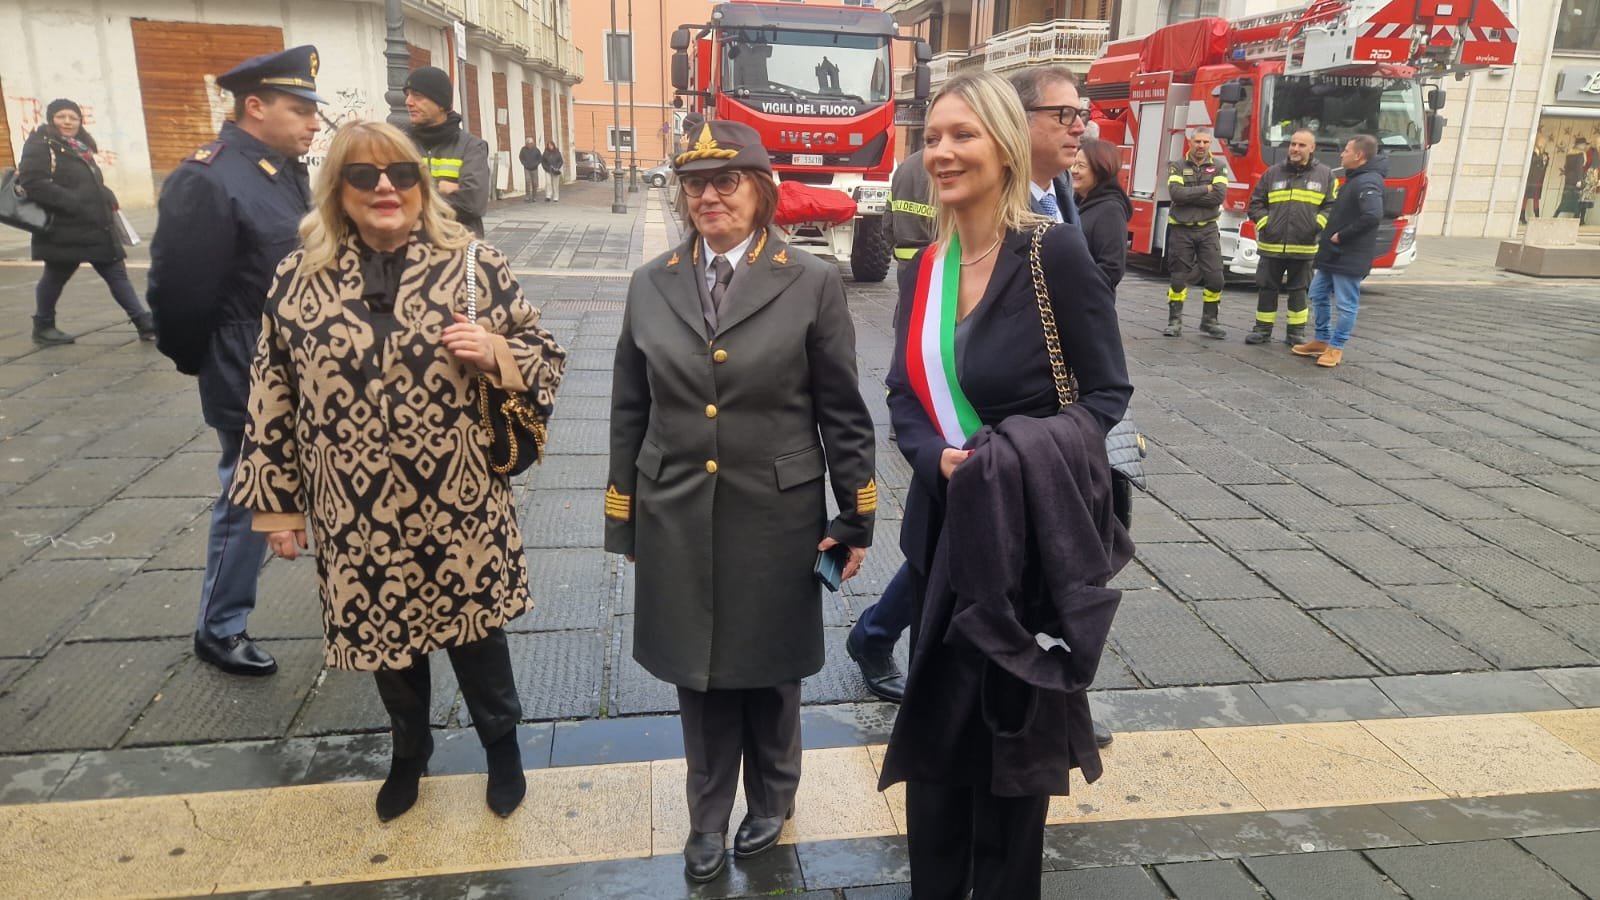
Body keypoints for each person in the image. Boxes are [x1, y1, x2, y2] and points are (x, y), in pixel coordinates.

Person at [231, 121, 568, 822]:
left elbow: (545, 353)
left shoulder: (474, 264)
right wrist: (277, 507)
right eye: (364, 175)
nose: (385, 187)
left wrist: (497, 351)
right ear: (338, 190)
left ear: (420, 184)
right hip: (352, 503)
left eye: (401, 173)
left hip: (459, 494)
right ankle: (408, 751)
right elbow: (271, 390)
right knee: (386, 637)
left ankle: (502, 748)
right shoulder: (298, 276)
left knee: (477, 633)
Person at [877, 71, 1132, 900]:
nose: (942, 152)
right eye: (933, 137)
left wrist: (1016, 458)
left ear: (1005, 146)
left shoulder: (1050, 251)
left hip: (1024, 549)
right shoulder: (923, 270)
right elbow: (904, 399)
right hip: (944, 543)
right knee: (939, 746)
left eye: (963, 135)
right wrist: (935, 459)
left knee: (1013, 754)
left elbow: (1105, 395)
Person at [607, 120, 876, 884]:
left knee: (770, 667)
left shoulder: (810, 280)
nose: (709, 196)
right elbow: (631, 407)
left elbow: (842, 411)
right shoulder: (651, 281)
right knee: (698, 673)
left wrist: (853, 516)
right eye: (695, 183)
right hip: (676, 508)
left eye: (727, 181)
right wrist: (623, 517)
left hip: (776, 511)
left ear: (761, 191)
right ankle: (706, 813)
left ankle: (773, 796)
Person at [147, 45, 323, 677]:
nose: (313, 123)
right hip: (244, 361)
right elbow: (177, 291)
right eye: (300, 109)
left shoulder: (280, 169)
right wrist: (205, 361)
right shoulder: (210, 176)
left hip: (298, 359)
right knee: (249, 493)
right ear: (255, 106)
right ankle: (219, 627)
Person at [17, 98, 156, 345]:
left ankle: (143, 322)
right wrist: (74, 203)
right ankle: (44, 326)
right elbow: (33, 182)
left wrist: (105, 194)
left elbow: (86, 182)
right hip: (64, 226)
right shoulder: (40, 144)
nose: (68, 122)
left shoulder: (78, 146)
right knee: (61, 275)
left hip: (93, 224)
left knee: (112, 271)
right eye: (62, 116)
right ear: (51, 119)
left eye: (73, 117)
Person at [1293, 134, 1386, 369]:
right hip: (1332, 255)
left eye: (1346, 150)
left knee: (1346, 304)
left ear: (1359, 155)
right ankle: (1322, 340)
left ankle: (1336, 347)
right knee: (1317, 293)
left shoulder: (1368, 182)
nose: (1342, 154)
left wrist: (1342, 235)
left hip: (1349, 255)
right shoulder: (1356, 179)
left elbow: (1372, 215)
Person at [1245, 129, 1333, 346]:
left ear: (1312, 148)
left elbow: (1331, 207)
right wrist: (1267, 224)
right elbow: (1256, 203)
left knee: (1299, 292)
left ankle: (1295, 333)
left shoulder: (1325, 175)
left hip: (1304, 248)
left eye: (1301, 145)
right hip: (1271, 245)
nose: (1295, 149)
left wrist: (1315, 226)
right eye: (1293, 144)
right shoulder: (1273, 173)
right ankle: (1262, 330)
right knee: (1267, 289)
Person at [402, 66, 490, 235]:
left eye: (417, 96)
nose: (408, 102)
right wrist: (443, 190)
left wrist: (413, 197)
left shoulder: (471, 146)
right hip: (410, 250)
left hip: (458, 247)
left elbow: (473, 203)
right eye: (407, 95)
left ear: (441, 104)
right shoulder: (401, 144)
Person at [1164, 128, 1230, 339]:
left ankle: (1209, 321)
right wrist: (1205, 189)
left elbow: (1218, 197)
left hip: (1207, 229)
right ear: (1190, 143)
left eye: (1206, 142)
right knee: (1178, 278)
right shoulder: (1177, 166)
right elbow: (1176, 194)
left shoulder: (1219, 166)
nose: (1201, 145)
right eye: (1198, 141)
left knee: (1215, 278)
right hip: (1181, 229)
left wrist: (1191, 194)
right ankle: (1174, 322)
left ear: (1210, 144)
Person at [1010, 66, 1084, 226]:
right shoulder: (984, 208)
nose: (1080, 128)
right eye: (1064, 114)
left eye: (1080, 114)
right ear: (1018, 118)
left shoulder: (1064, 193)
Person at [1070, 136, 1132, 287]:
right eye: (1073, 164)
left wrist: (1073, 288)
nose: (1073, 170)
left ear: (1100, 170)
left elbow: (1112, 268)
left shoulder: (1110, 211)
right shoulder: (1077, 203)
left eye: (1081, 166)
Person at [1523, 144, 1548, 225]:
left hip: (1537, 179)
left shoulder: (1543, 155)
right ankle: (1522, 215)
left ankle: (1537, 217)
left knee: (1535, 197)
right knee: (1526, 196)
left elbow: (1543, 165)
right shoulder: (1533, 154)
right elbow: (1533, 162)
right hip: (1531, 179)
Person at [519, 138, 541, 202]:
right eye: (528, 143)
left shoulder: (536, 150)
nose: (529, 145)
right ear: (526, 143)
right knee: (527, 181)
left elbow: (540, 158)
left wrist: (536, 164)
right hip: (527, 168)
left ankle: (534, 196)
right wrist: (524, 163)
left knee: (535, 182)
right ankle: (527, 195)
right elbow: (521, 157)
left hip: (534, 168)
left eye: (531, 143)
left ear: (533, 143)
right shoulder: (523, 149)